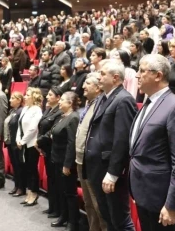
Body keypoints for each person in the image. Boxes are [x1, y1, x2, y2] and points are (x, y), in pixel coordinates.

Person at [129, 54, 175, 231]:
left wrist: (173, 204)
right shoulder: (148, 103)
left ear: (158, 75)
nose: (137, 75)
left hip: (162, 198)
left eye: (142, 71)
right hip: (144, 193)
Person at [84, 60, 137, 231]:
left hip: (110, 171)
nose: (99, 77)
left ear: (115, 78)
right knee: (107, 216)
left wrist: (113, 173)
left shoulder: (124, 100)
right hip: (97, 168)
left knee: (120, 219)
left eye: (102, 74)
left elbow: (122, 141)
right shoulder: (103, 97)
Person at [76, 74, 107, 231]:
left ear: (98, 87)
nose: (83, 86)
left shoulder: (102, 105)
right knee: (89, 205)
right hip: (81, 160)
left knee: (98, 205)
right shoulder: (89, 104)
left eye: (87, 83)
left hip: (93, 162)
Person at [50, 91, 80, 230]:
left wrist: (67, 164)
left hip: (65, 162)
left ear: (70, 103)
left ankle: (72, 222)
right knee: (61, 190)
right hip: (56, 158)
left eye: (62, 100)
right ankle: (64, 216)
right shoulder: (63, 116)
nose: (59, 102)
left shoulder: (73, 118)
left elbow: (71, 143)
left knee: (69, 192)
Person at [36, 87, 63, 218]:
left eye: (51, 95)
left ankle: (58, 209)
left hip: (53, 149)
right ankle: (52, 206)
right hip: (46, 148)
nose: (47, 97)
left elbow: (52, 131)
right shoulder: (48, 109)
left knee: (56, 181)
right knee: (51, 179)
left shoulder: (59, 112)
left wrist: (39, 141)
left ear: (58, 98)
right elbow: (41, 126)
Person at [16, 87, 43, 206]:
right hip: (23, 142)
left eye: (28, 95)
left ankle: (34, 193)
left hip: (31, 143)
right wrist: (18, 139)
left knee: (32, 169)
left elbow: (33, 128)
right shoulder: (25, 108)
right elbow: (19, 125)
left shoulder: (37, 110)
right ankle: (29, 192)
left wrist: (22, 140)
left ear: (34, 97)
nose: (25, 97)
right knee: (26, 168)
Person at [4, 92, 25, 196]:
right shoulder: (12, 111)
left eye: (13, 98)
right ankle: (16, 185)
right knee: (15, 165)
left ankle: (21, 187)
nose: (10, 100)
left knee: (19, 166)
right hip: (10, 142)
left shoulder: (21, 111)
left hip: (17, 143)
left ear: (19, 100)